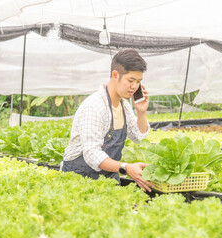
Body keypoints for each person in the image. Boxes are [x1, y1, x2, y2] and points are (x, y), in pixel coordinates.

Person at [62, 49, 153, 192]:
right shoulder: (94, 106)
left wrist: (141, 112)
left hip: (108, 176)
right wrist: (126, 168)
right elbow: (92, 154)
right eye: (131, 80)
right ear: (115, 75)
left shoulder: (124, 106)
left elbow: (138, 136)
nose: (134, 87)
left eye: (138, 82)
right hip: (79, 178)